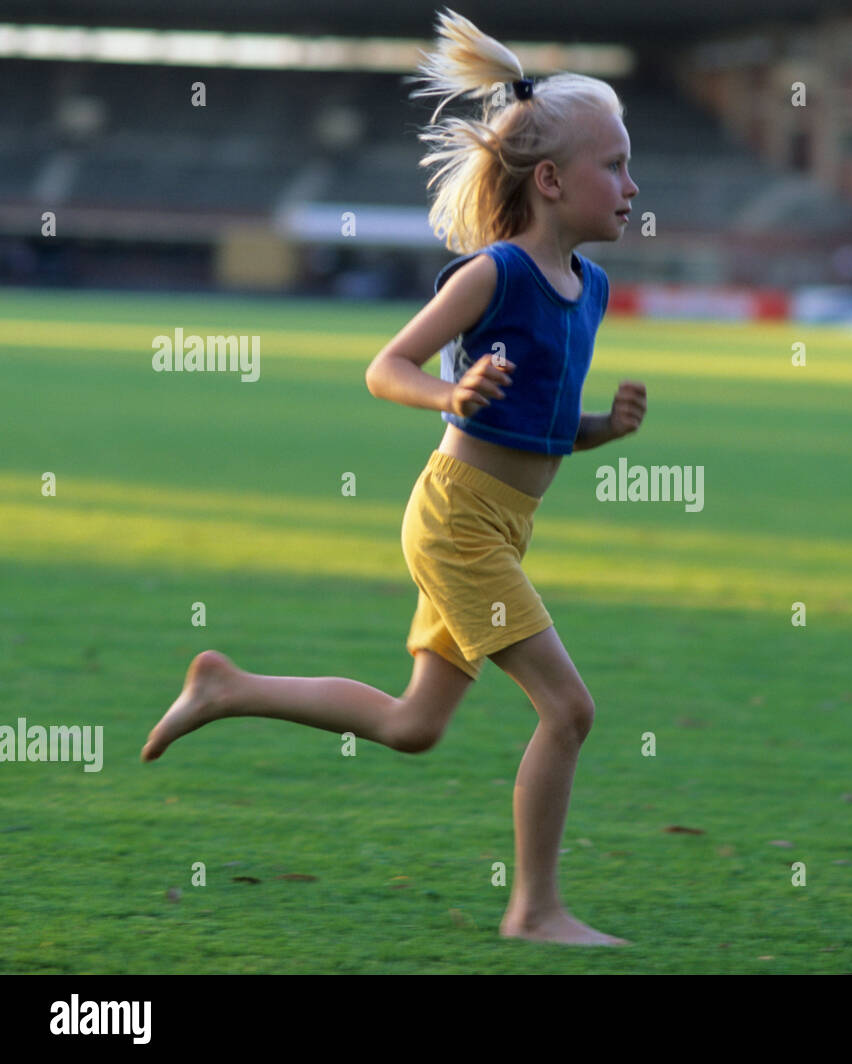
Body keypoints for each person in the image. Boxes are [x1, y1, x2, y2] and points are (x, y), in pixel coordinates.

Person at [141, 7, 645, 948]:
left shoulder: (594, 287)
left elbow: (536, 431)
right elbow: (387, 370)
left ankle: (224, 685)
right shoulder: (492, 275)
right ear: (548, 180)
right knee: (569, 710)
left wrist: (598, 431)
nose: (631, 184)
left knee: (416, 724)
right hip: (456, 522)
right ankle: (533, 909)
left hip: (499, 524)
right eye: (613, 164)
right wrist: (449, 397)